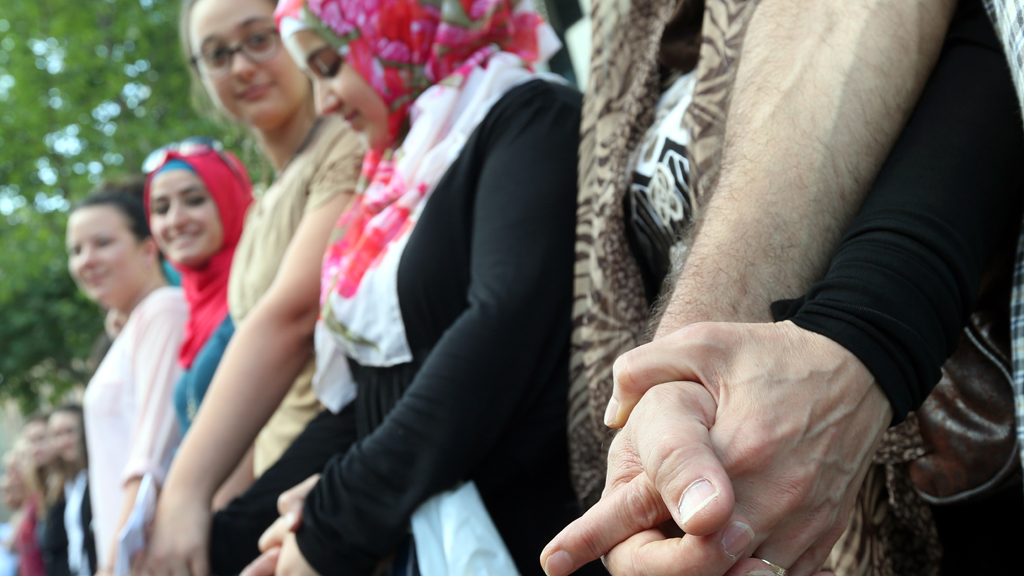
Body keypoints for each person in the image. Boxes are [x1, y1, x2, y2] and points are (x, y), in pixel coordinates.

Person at [542, 0, 1024, 575]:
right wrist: (675, 415)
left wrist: (863, 340)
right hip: (786, 465)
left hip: (947, 445)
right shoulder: (609, 29)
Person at [144, 0, 591, 574]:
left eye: (332, 65)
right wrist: (233, 539)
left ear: (399, 26)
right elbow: (370, 396)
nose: (325, 101)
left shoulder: (531, 116)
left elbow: (502, 332)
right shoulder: (399, 175)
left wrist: (337, 519)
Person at [140, 0, 364, 568]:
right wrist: (211, 504)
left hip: (334, 470)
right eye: (216, 54)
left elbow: (290, 318)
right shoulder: (266, 202)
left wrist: (185, 495)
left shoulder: (347, 140)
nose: (240, 67)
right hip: (273, 473)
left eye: (259, 39)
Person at [66, 184, 188, 576]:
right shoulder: (135, 326)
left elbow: (150, 454)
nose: (87, 260)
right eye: (76, 250)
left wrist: (114, 563)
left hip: (144, 554)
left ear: (148, 248)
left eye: (102, 242)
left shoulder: (164, 311)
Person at [143, 142, 254, 433]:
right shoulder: (191, 307)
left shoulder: (265, 286)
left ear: (230, 199)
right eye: (161, 208)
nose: (176, 221)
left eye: (194, 200)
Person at [40, 406, 96, 576]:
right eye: (57, 434)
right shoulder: (65, 483)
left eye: (69, 431)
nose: (64, 440)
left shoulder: (96, 476)